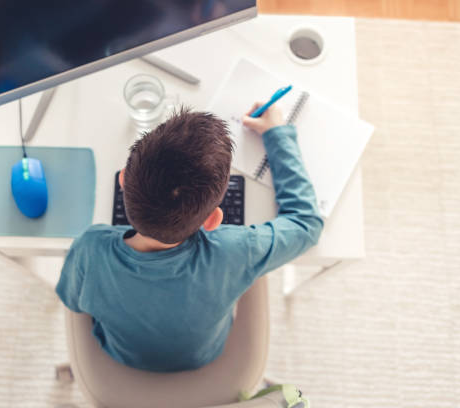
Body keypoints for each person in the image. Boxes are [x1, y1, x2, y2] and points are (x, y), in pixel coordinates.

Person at [56, 104, 323, 372]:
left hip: (122, 355)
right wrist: (276, 134)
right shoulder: (236, 250)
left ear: (123, 181)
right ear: (212, 220)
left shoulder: (89, 248)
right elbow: (306, 224)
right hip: (204, 356)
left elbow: (73, 300)